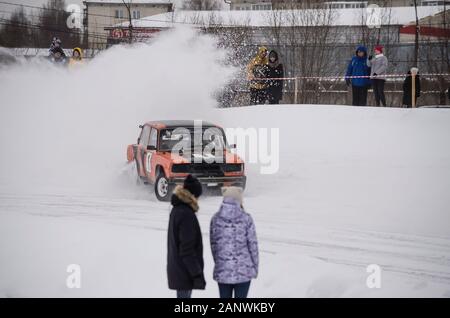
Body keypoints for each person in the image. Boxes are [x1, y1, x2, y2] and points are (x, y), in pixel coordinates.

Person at [210, 186, 259, 298]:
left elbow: (214, 246)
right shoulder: (246, 218)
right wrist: (254, 268)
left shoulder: (215, 219)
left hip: (223, 272)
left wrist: (220, 263)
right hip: (244, 271)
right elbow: (253, 246)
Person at [167, 174, 206, 298]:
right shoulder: (186, 214)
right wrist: (197, 274)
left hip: (179, 269)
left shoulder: (177, 209)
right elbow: (187, 249)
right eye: (197, 197)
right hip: (184, 271)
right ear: (193, 195)